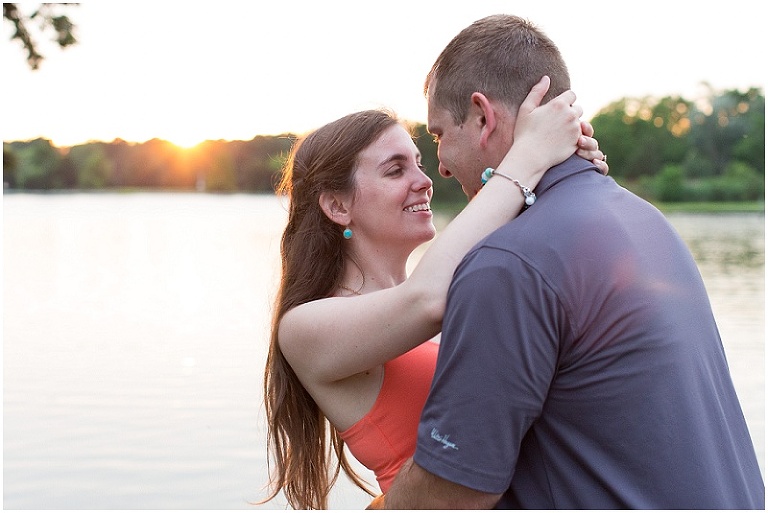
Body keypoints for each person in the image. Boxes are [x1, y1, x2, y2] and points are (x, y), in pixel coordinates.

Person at [377, 14, 765, 509]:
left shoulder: (506, 265)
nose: (443, 168)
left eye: (437, 136)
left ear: (481, 117)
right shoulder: (648, 221)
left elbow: (454, 492)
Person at [262, 76, 609, 510]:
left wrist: (562, 166)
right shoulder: (303, 329)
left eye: (419, 163)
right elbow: (430, 299)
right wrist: (528, 155)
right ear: (337, 206)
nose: (425, 181)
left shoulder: (425, 294)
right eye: (396, 170)